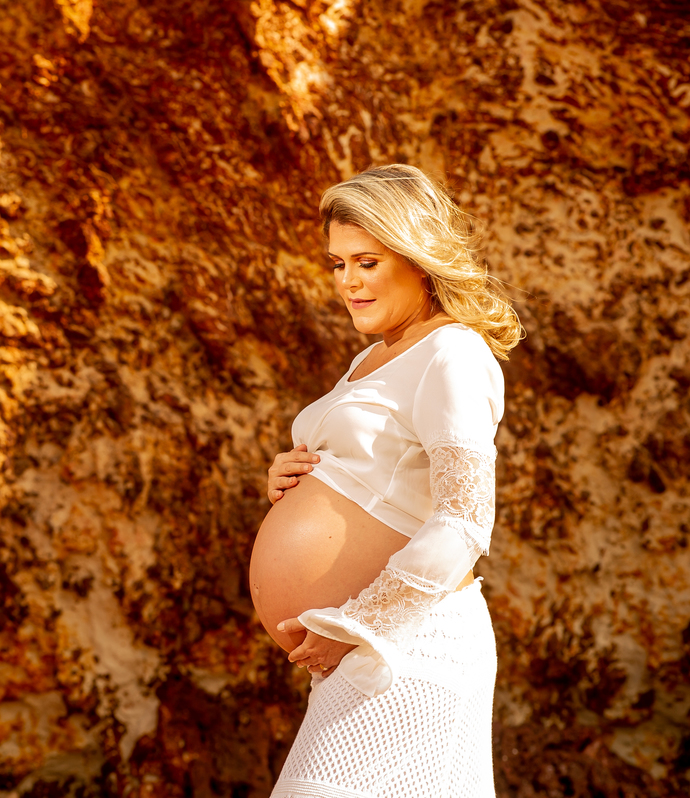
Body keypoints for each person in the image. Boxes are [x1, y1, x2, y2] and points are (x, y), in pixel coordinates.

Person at [247, 164, 523, 797]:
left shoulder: (452, 352)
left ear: (417, 258)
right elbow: (376, 475)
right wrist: (292, 479)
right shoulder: (371, 357)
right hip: (371, 649)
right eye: (337, 264)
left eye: (367, 262)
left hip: (408, 647)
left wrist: (358, 625)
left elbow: (464, 520)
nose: (348, 281)